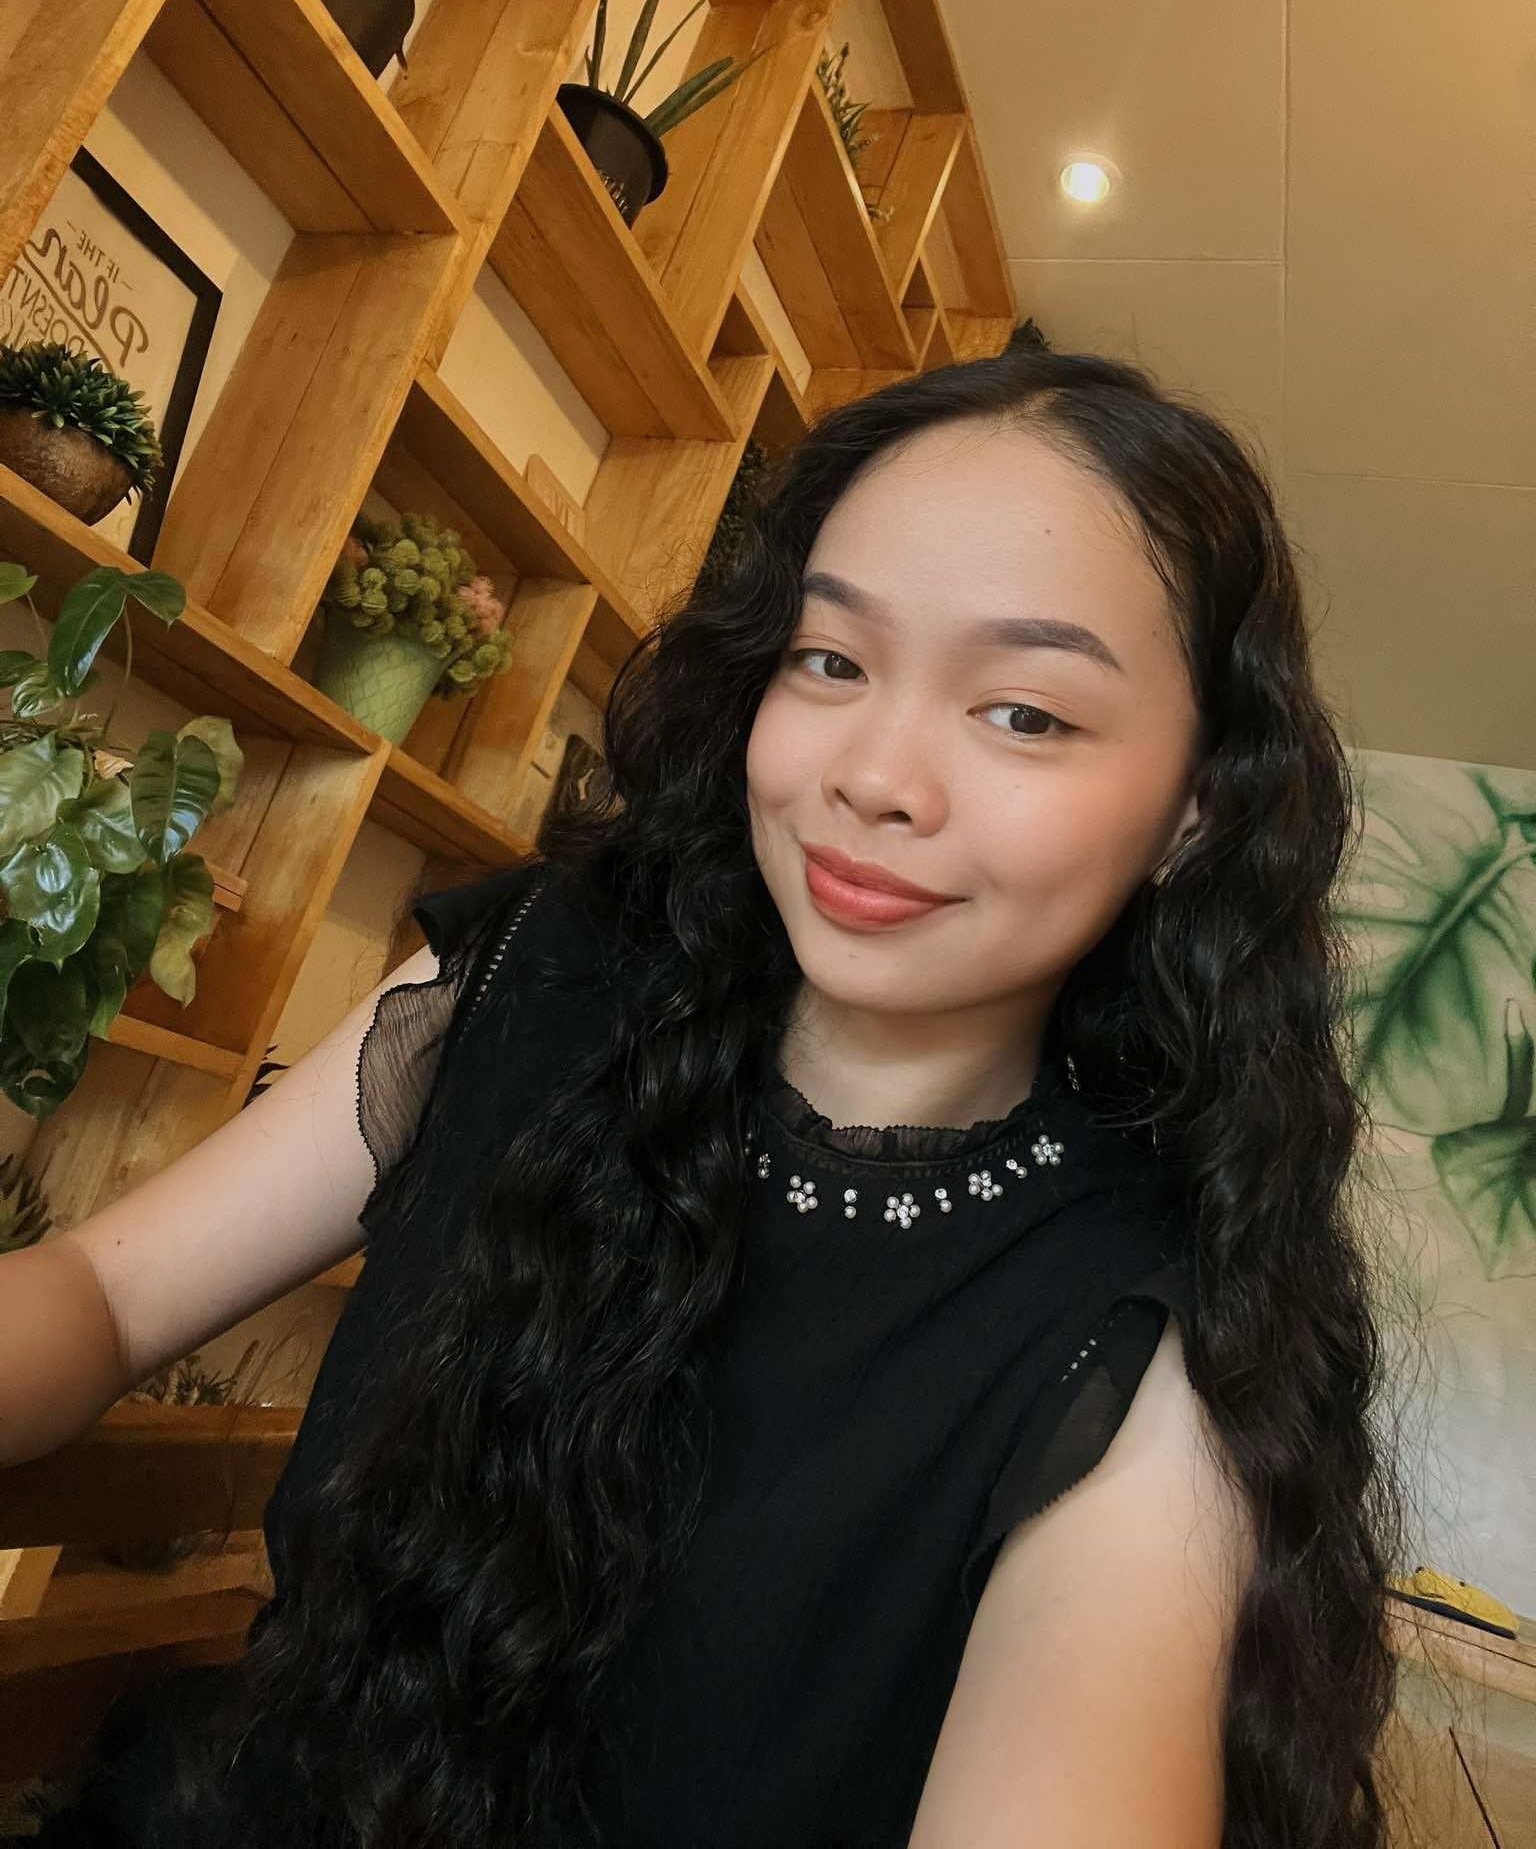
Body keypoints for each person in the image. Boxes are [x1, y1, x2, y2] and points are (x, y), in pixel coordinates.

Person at [7, 347, 1423, 1849]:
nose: (874, 777)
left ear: (1194, 813)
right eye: (833, 660)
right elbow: (108, 1291)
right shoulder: (536, 978)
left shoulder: (1141, 1360)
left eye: (1024, 713)